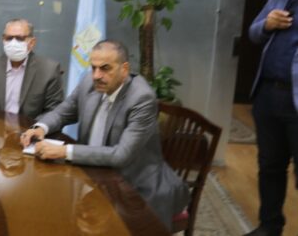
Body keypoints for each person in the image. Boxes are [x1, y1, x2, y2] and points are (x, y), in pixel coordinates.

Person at [20, 40, 189, 230]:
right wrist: (41, 127)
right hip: (93, 173)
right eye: (93, 67)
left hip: (134, 184)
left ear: (124, 69)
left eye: (105, 68)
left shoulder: (141, 98)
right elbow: (63, 112)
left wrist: (64, 151)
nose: (96, 75)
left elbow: (121, 155)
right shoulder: (89, 82)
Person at [246, 0, 298, 236]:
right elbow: (254, 33)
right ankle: (269, 226)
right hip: (268, 94)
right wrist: (268, 24)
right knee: (270, 166)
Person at [0, 18, 63, 120]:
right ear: (3, 39)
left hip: (30, 128)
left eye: (20, 38)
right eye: (9, 38)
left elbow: (53, 111)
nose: (13, 43)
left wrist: (34, 128)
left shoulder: (49, 70)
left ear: (32, 42)